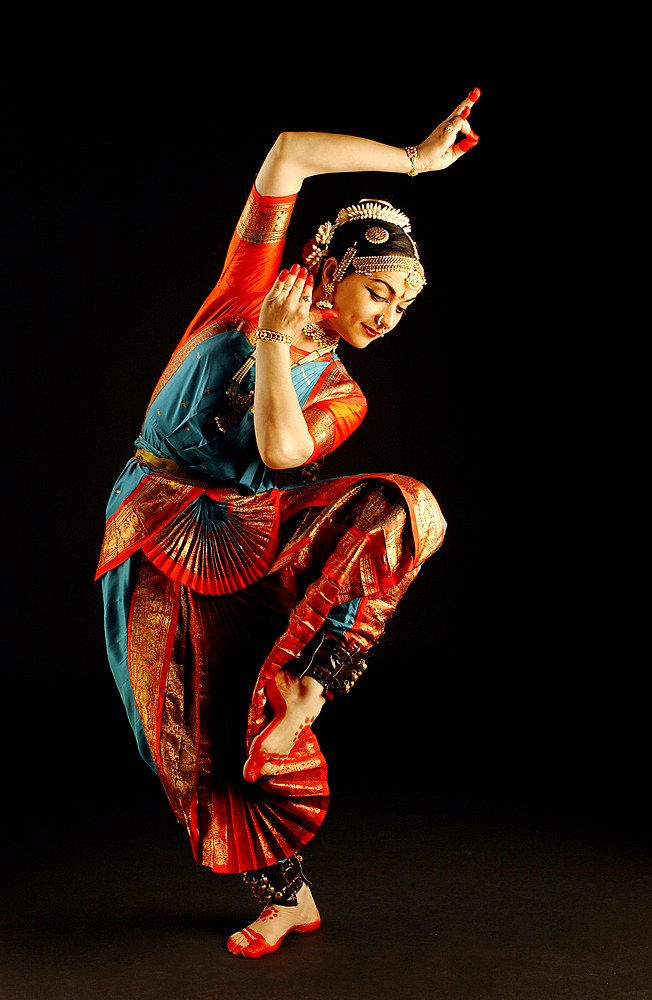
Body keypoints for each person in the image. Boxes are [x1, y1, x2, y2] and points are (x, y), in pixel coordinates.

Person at [96, 88, 481, 959]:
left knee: (403, 506)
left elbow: (277, 451)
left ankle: (307, 692)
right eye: (377, 290)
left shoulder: (343, 393)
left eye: (401, 308)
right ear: (335, 268)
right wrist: (415, 162)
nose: (385, 315)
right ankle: (287, 898)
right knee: (182, 737)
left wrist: (278, 346)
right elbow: (287, 154)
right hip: (152, 520)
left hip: (251, 531)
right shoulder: (244, 288)